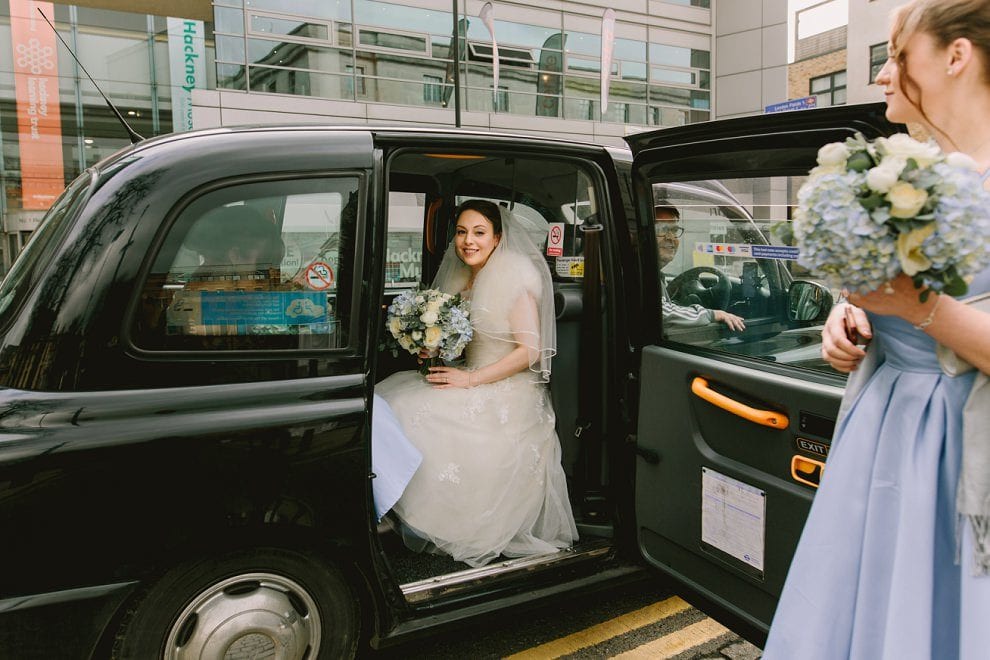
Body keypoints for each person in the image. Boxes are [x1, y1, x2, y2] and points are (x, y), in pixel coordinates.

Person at [763, 1, 990, 658]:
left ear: (956, 55)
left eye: (897, 55)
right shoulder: (910, 169)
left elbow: (920, 302)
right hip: (881, 429)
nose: (883, 77)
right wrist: (850, 309)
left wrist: (918, 308)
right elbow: (882, 290)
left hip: (958, 440)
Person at [373, 199, 578, 567]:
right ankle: (387, 506)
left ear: (498, 238)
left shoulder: (515, 276)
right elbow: (462, 337)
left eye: (480, 233)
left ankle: (420, 515)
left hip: (508, 387)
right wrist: (431, 347)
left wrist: (471, 379)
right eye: (462, 232)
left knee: (416, 410)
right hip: (470, 373)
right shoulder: (460, 276)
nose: (469, 241)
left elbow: (530, 351)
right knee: (388, 399)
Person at [655, 204, 745, 332]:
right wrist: (712, 314)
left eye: (674, 230)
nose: (670, 237)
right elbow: (659, 313)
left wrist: (682, 309)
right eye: (662, 229)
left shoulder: (653, 273)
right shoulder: (637, 272)